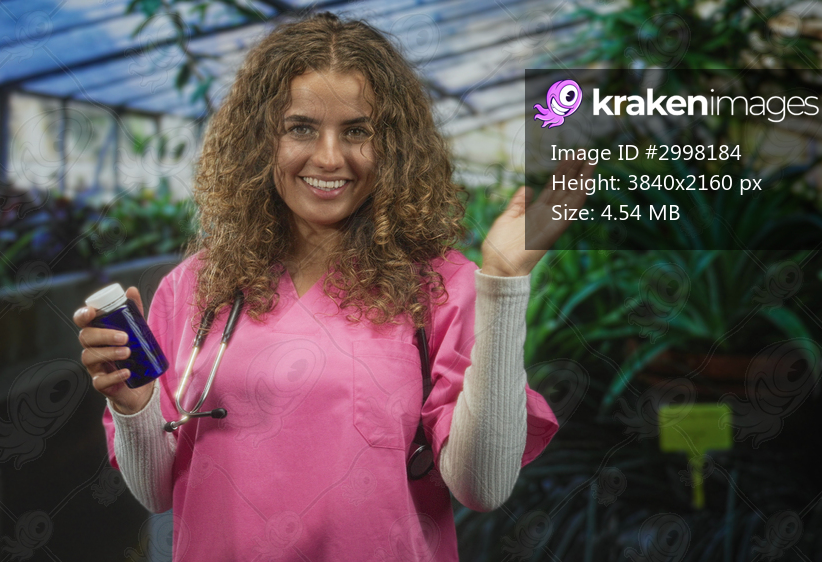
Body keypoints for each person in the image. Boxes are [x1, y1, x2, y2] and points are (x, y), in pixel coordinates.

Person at [73, 12, 593, 561]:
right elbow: (157, 491)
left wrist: (505, 284)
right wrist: (135, 407)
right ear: (261, 139)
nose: (328, 157)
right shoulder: (196, 287)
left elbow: (482, 487)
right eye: (300, 127)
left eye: (357, 131)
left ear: (393, 145)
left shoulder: (441, 288)